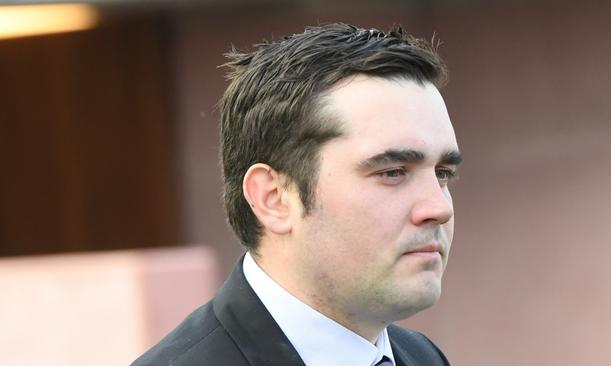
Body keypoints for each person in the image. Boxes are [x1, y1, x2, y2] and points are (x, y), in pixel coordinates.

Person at [133, 22, 462, 366]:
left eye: (443, 174)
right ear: (273, 199)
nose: (438, 208)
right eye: (392, 172)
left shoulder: (422, 357)